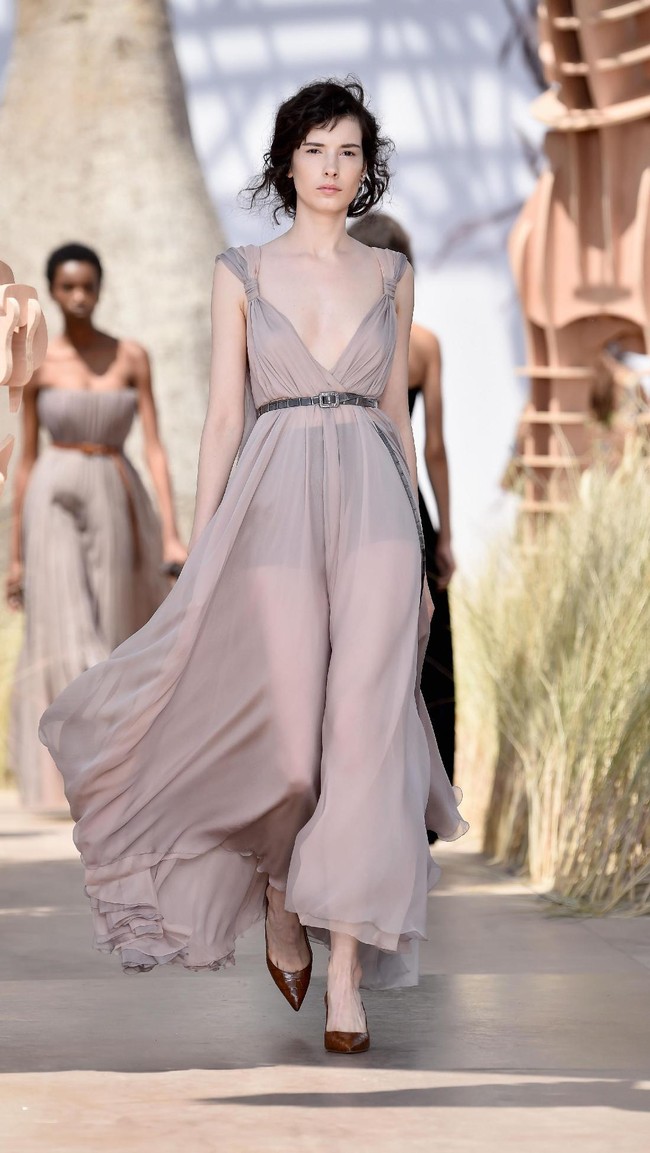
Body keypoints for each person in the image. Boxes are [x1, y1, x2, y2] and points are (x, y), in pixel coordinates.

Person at [39, 80, 467, 1053]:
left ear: (366, 171)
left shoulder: (390, 281)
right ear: (285, 163)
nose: (330, 166)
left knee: (364, 739)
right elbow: (224, 416)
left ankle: (347, 975)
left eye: (348, 152)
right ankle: (280, 887)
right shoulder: (239, 271)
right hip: (270, 506)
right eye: (314, 148)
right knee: (287, 746)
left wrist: (418, 556)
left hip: (372, 510)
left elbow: (398, 432)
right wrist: (198, 538)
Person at [6, 243, 186, 814]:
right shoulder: (38, 364)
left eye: (88, 287)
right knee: (63, 630)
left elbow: (154, 447)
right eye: (68, 288)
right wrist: (14, 554)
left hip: (115, 487)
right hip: (51, 496)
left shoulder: (132, 356)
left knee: (114, 631)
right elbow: (25, 458)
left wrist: (172, 533)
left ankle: (113, 774)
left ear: (101, 288)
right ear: (53, 292)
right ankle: (69, 773)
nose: (79, 298)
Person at [349, 213, 456, 786]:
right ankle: (423, 794)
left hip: (348, 493)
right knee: (425, 644)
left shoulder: (334, 337)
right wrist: (448, 534)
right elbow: (433, 446)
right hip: (406, 498)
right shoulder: (423, 345)